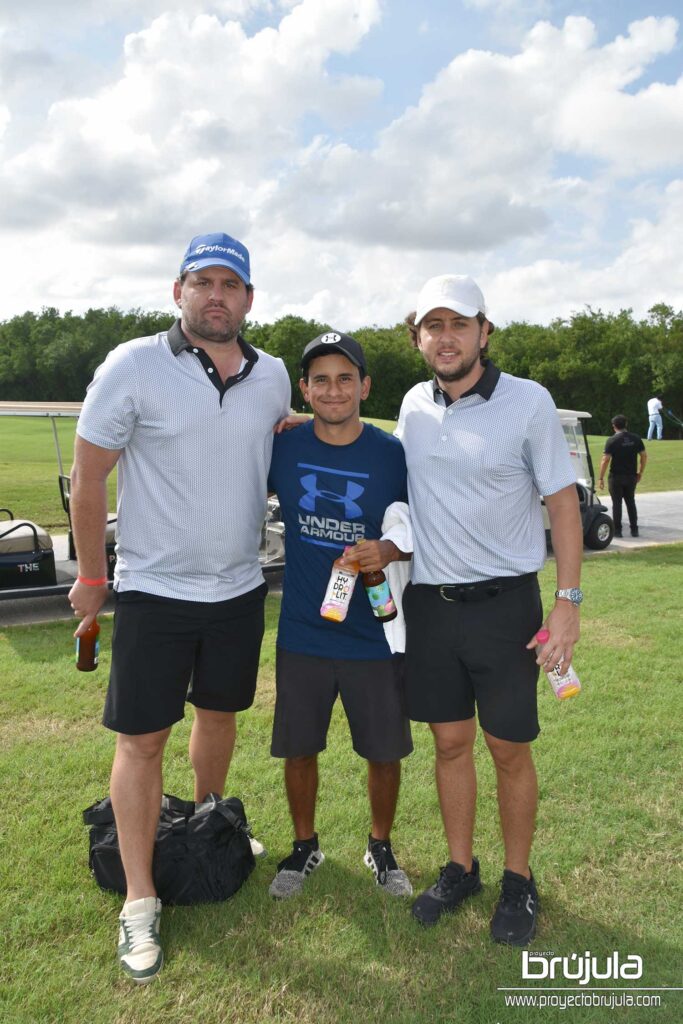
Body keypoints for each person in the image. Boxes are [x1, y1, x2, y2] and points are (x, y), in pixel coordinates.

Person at [68, 232, 291, 984]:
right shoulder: (132, 364)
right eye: (204, 281)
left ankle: (211, 823)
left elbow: (268, 445)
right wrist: (94, 580)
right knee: (141, 742)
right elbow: (89, 475)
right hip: (155, 593)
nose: (217, 295)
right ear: (178, 292)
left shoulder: (274, 375)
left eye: (232, 283)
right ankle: (139, 898)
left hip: (238, 589)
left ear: (250, 299)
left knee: (219, 718)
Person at [396, 274, 583, 946]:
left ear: (483, 332)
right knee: (448, 744)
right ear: (417, 336)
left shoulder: (528, 402)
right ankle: (459, 866)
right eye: (432, 326)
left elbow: (561, 504)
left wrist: (566, 604)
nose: (445, 338)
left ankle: (517, 878)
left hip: (506, 606)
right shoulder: (412, 404)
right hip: (431, 607)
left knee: (507, 748)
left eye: (459, 325)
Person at [266, 331, 414, 901]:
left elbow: (415, 523)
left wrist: (390, 550)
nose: (333, 390)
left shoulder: (391, 454)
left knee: (384, 749)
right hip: (304, 629)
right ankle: (305, 846)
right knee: (299, 746)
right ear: (304, 389)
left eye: (345, 379)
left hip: (373, 633)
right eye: (321, 380)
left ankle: (380, 845)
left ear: (365, 386)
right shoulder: (282, 445)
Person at [598, 415, 647, 538]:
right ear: (626, 424)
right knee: (630, 502)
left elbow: (605, 460)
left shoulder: (612, 440)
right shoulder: (636, 439)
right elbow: (644, 455)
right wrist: (640, 472)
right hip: (631, 476)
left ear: (614, 426)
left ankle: (618, 531)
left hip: (616, 476)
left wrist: (600, 477)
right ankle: (634, 529)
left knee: (617, 503)